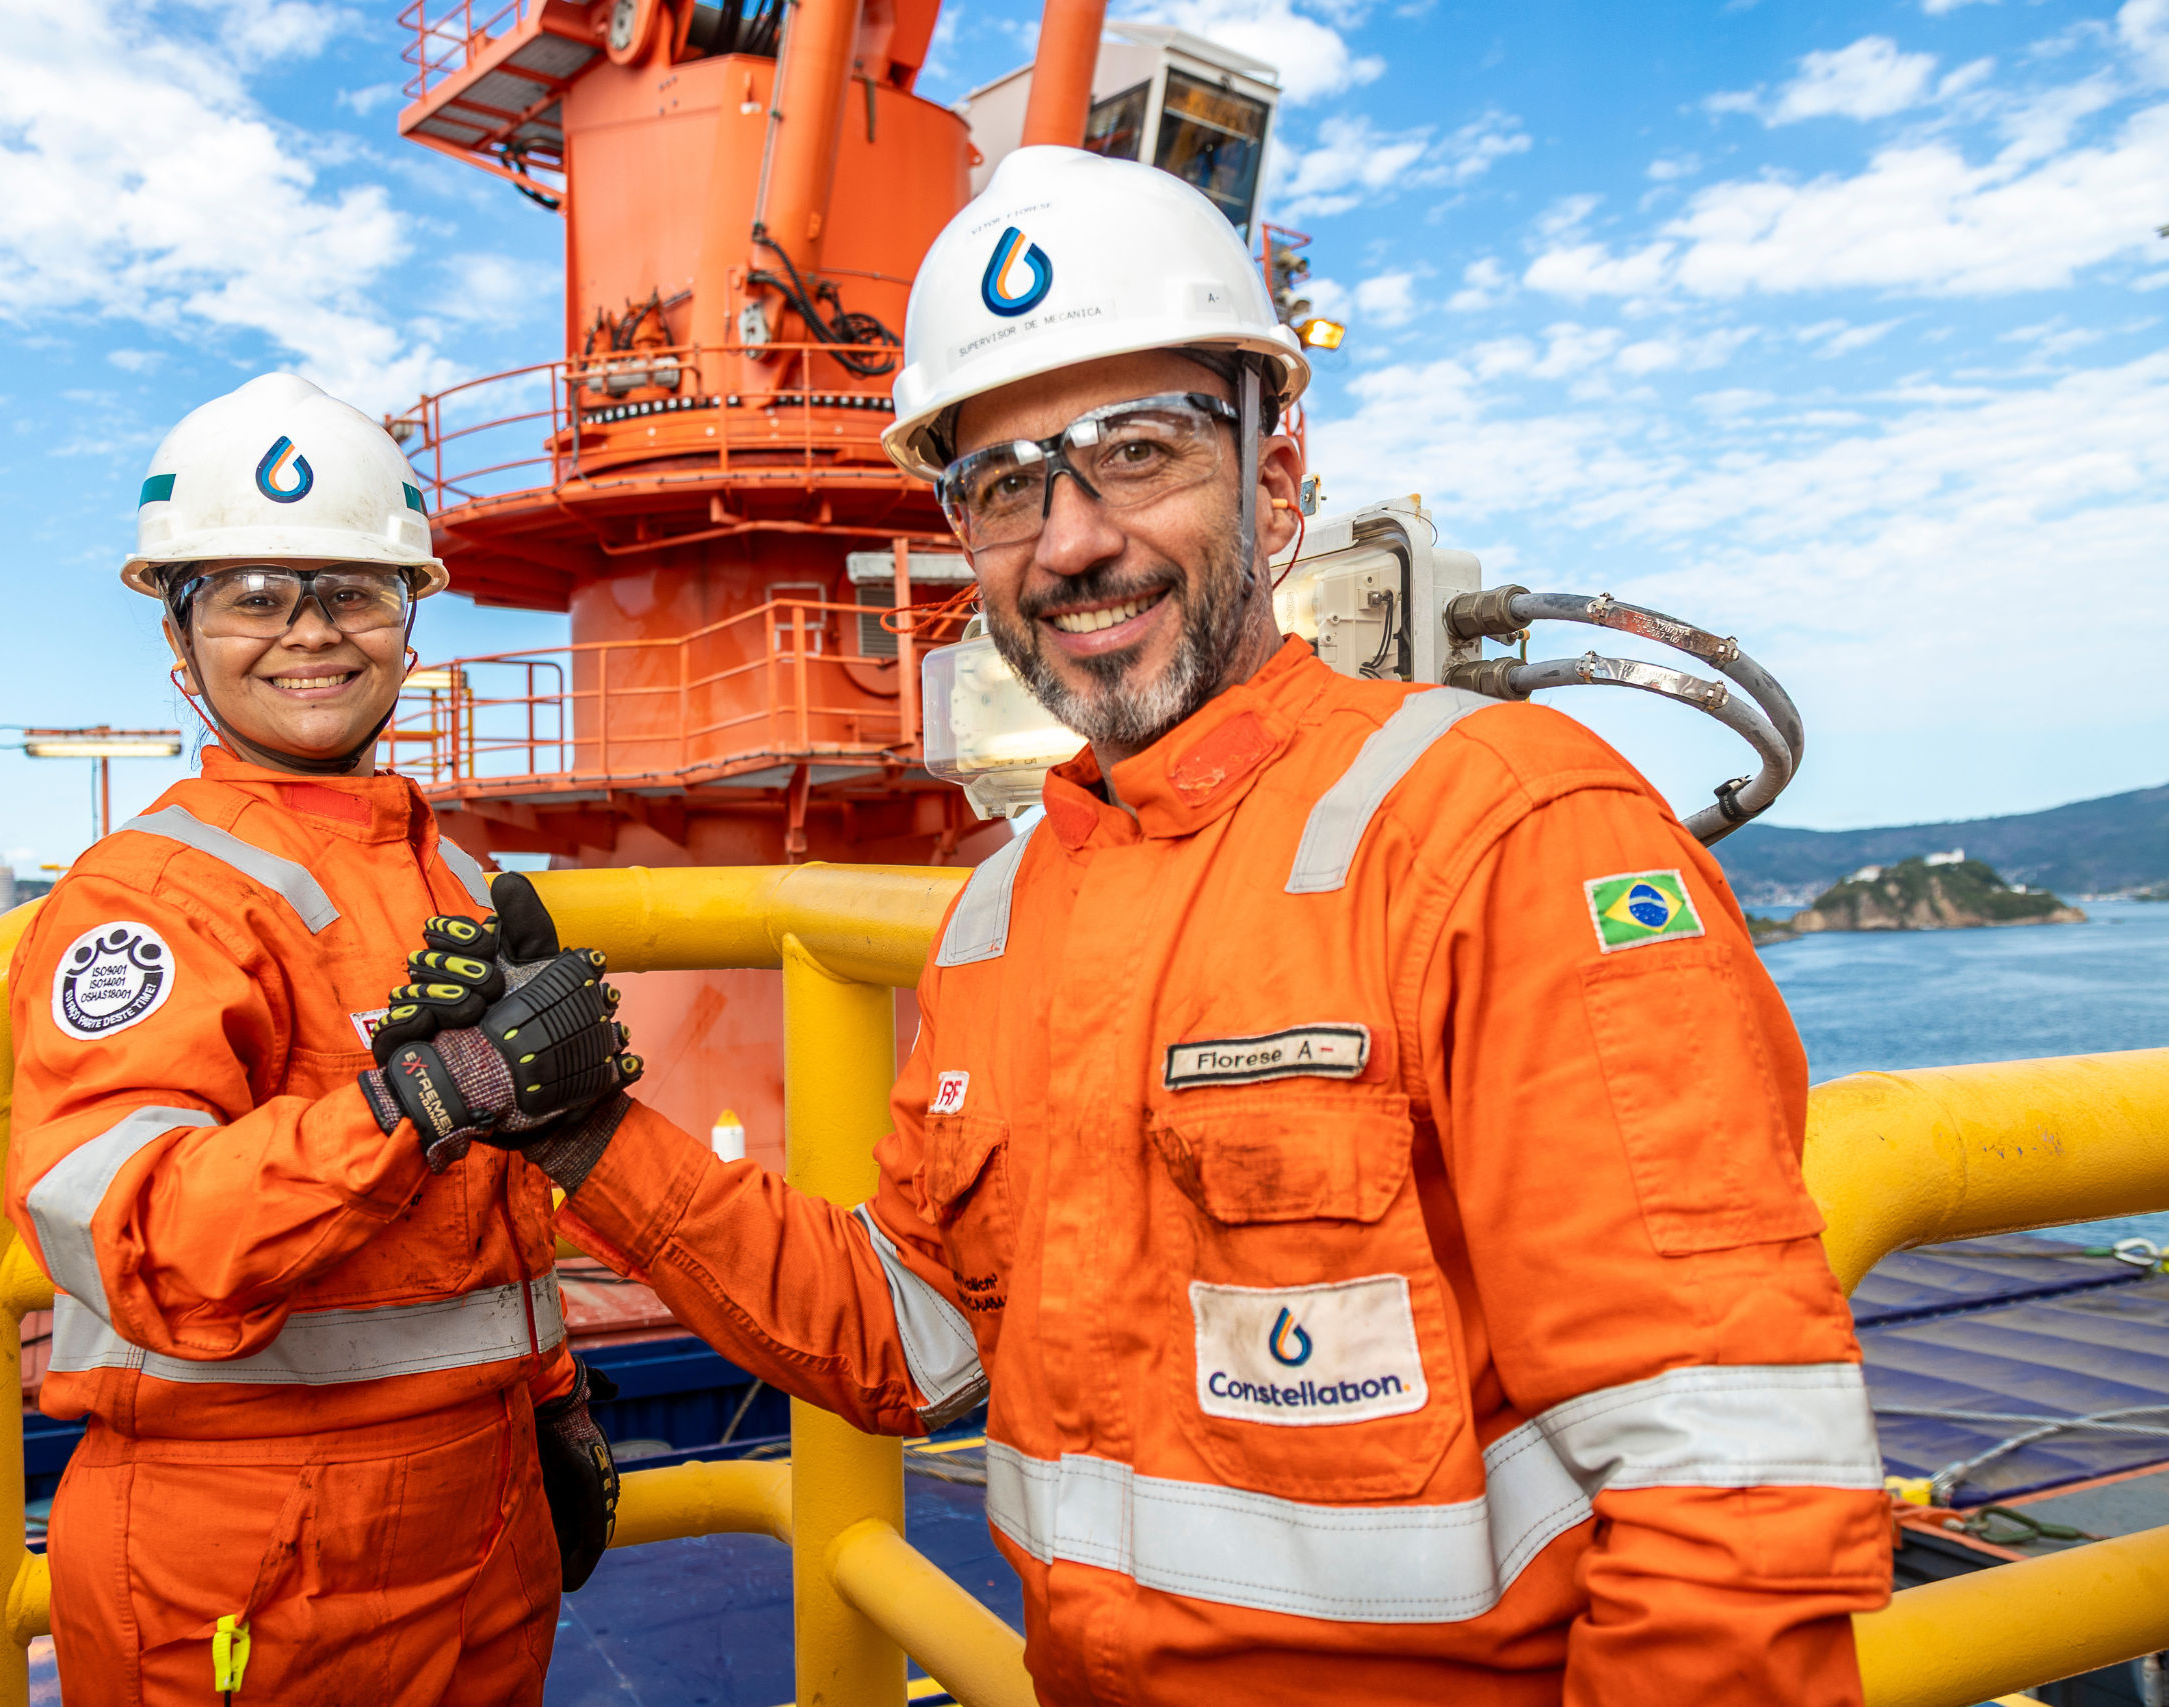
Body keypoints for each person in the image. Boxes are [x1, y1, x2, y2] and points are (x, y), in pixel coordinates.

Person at [486, 149, 1896, 1704]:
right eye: (1008, 485)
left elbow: (1732, 1498)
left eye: (1137, 451)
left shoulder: (1503, 831)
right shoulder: (1001, 913)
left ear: (1277, 482)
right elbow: (913, 1336)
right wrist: (589, 1139)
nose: (1073, 540)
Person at [4, 372, 640, 1706]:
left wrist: (553, 1395)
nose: (311, 632)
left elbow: (495, 1207)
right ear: (180, 637)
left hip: (483, 1514)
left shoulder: (447, 876)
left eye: (353, 590)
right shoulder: (147, 898)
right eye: (253, 593)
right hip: (248, 1556)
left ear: (408, 621)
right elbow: (138, 1231)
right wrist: (425, 1093)